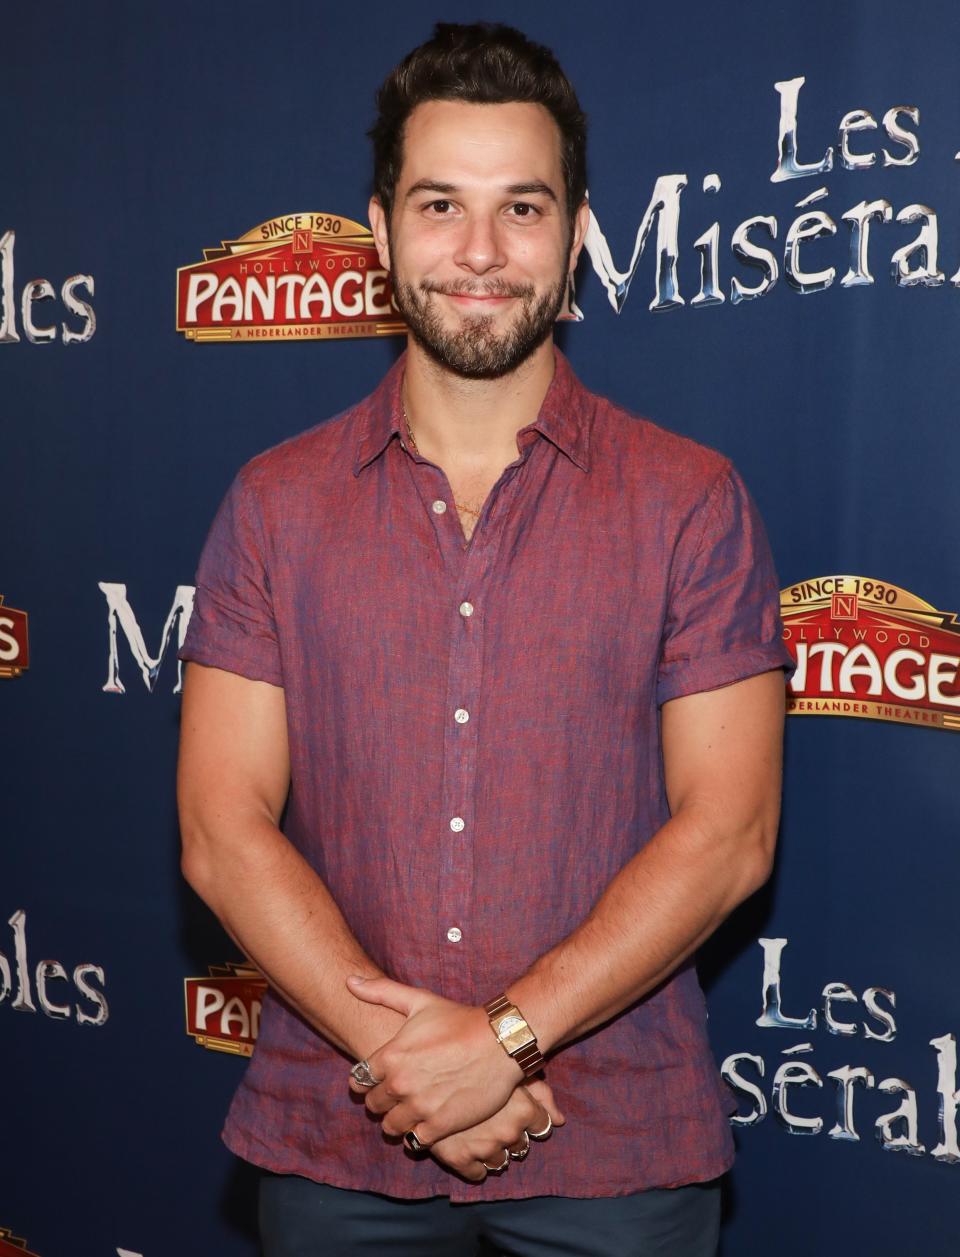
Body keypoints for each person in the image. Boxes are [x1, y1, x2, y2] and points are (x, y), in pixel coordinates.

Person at [176, 21, 793, 1257]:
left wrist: (497, 1042)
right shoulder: (274, 503)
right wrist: (417, 1066)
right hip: (339, 1135)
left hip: (616, 1146)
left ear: (574, 235)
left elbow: (729, 833)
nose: (478, 251)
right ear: (381, 228)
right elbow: (220, 829)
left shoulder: (690, 499)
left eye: (523, 208)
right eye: (439, 204)